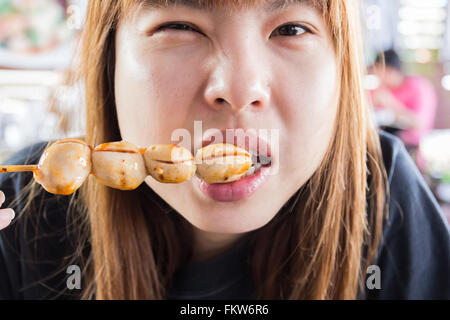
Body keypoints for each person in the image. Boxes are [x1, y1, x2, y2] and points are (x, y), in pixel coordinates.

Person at [0, 0, 449, 300]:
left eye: (291, 28)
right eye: (179, 25)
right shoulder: (22, 211)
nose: (238, 89)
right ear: (110, 60)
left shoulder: (386, 200)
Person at [370, 49, 438, 160]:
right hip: (384, 146)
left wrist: (391, 104)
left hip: (409, 151)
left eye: (377, 70)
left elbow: (420, 123)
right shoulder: (382, 89)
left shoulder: (418, 87)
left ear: (389, 70)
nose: (376, 75)